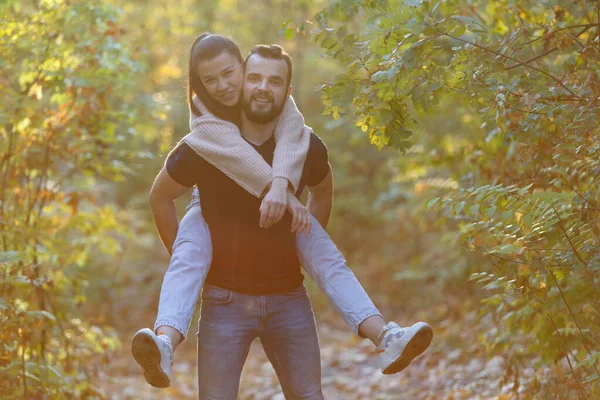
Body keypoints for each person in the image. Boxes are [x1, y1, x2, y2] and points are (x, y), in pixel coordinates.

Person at [132, 34, 433, 394]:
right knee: (188, 255)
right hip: (224, 301)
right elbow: (161, 198)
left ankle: (387, 337)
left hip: (288, 299)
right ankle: (164, 342)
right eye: (212, 80)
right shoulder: (205, 140)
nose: (225, 85)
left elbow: (321, 186)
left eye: (232, 74)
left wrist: (300, 240)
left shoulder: (302, 139)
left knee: (328, 258)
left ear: (246, 72)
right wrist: (194, 264)